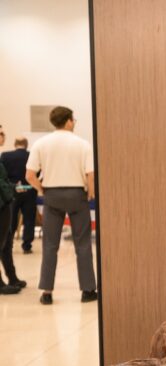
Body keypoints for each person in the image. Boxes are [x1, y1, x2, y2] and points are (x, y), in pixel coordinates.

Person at [26, 106, 97, 305]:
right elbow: (90, 174)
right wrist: (90, 192)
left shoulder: (41, 143)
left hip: (52, 195)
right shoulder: (83, 144)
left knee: (50, 245)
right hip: (76, 194)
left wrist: (42, 190)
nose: (74, 123)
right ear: (67, 121)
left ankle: (47, 292)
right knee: (82, 244)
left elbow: (29, 175)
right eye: (73, 120)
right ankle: (88, 290)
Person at [2, 137, 38, 254]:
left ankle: (8, 244)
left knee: (11, 219)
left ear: (15, 144)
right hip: (30, 192)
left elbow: (3, 174)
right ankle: (27, 245)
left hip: (12, 192)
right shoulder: (32, 155)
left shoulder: (5, 156)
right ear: (26, 145)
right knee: (29, 219)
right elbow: (36, 172)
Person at [0, 125, 24, 295]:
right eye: (0, 133)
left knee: (6, 243)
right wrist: (11, 191)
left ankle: (12, 277)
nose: (3, 136)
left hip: (5, 203)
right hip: (2, 203)